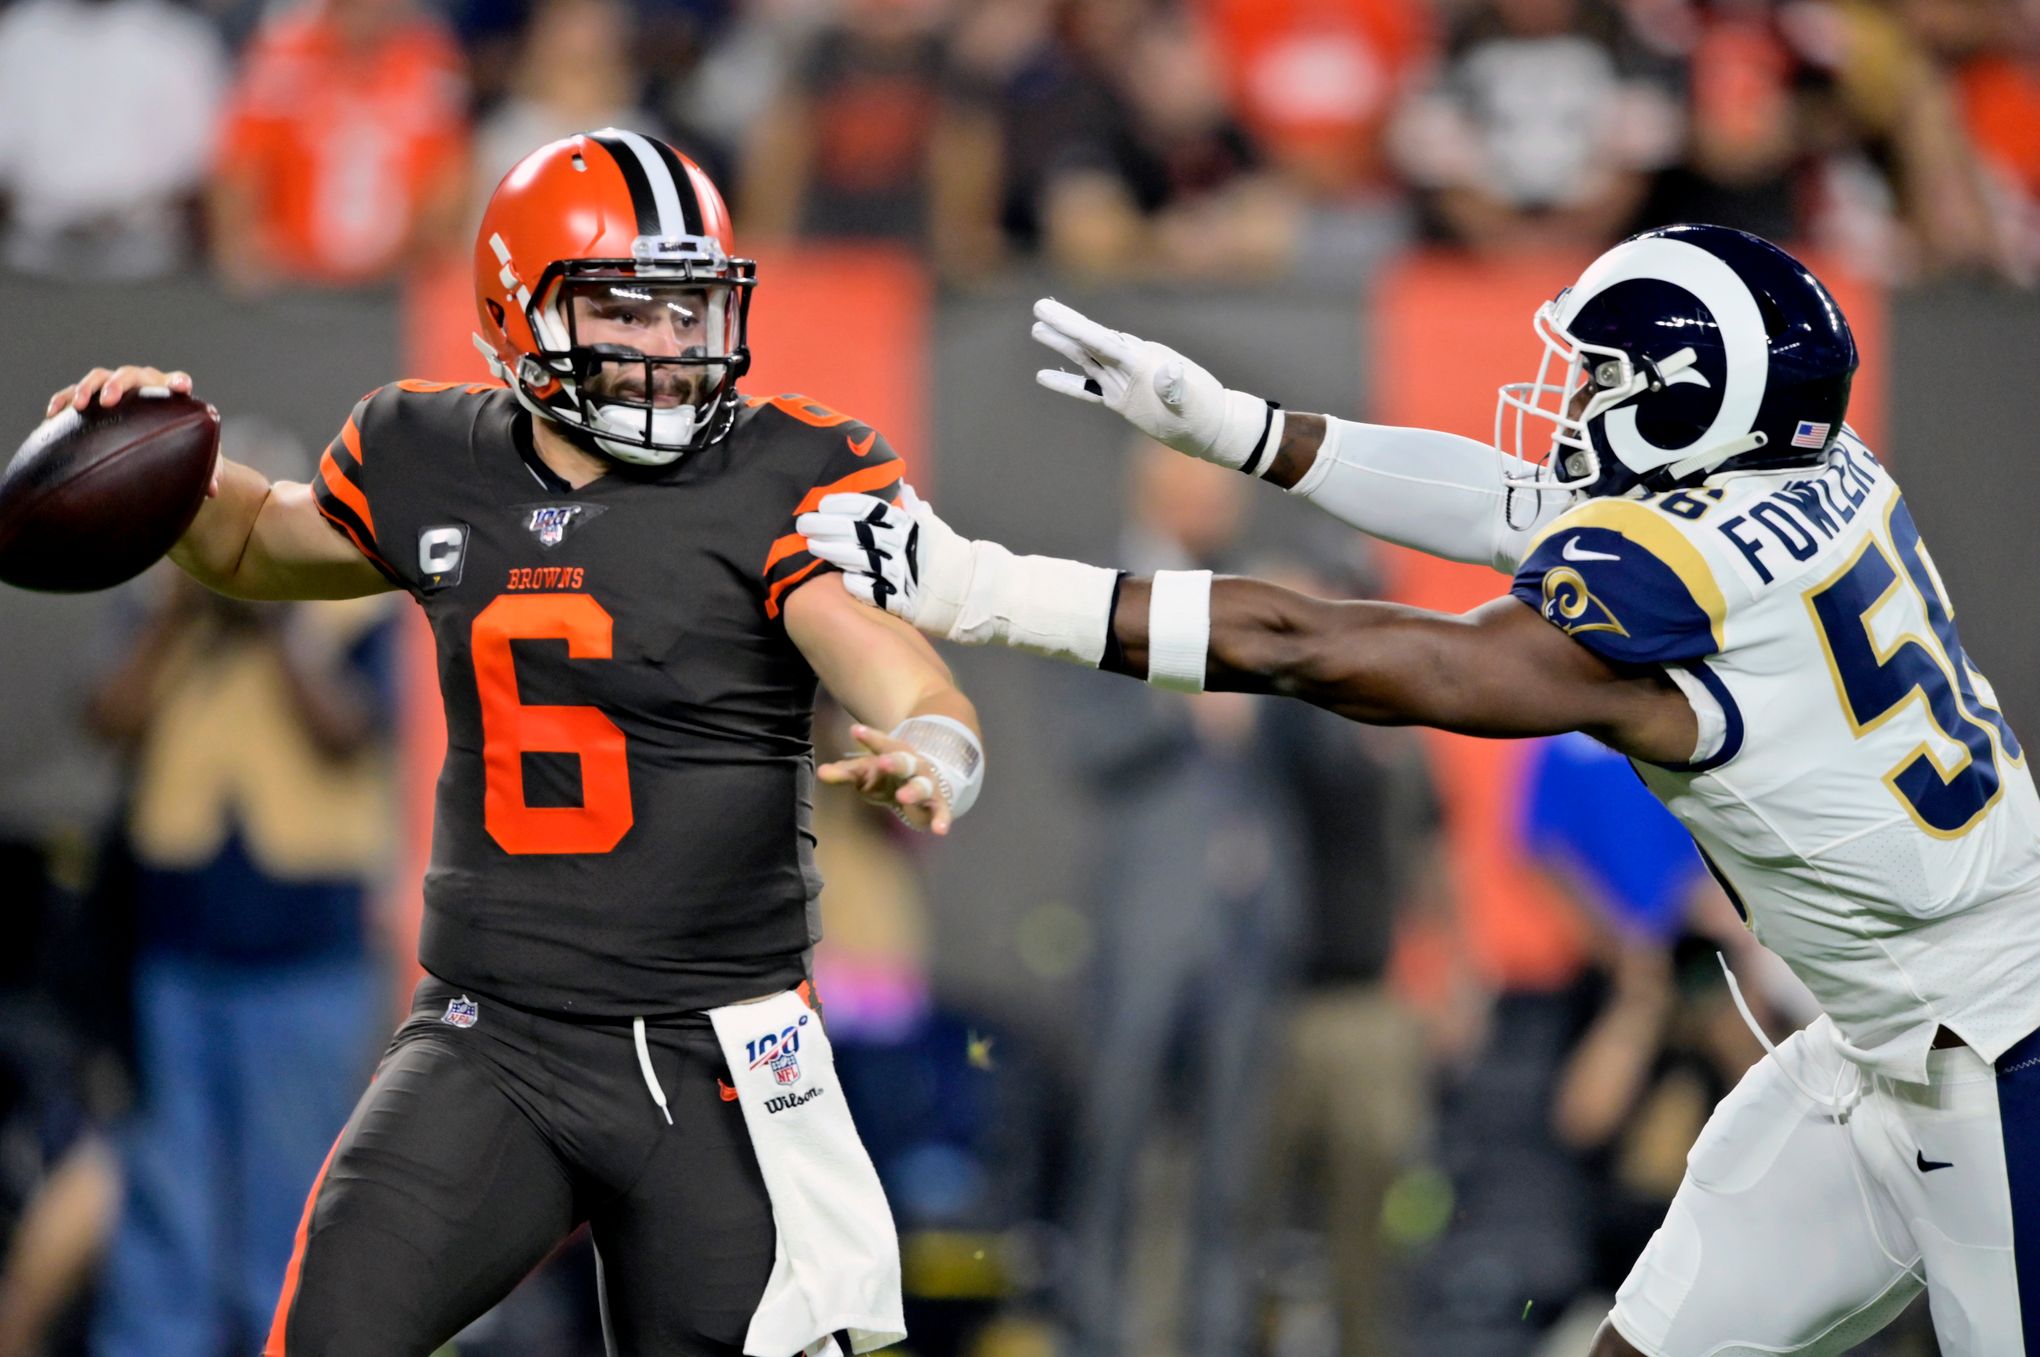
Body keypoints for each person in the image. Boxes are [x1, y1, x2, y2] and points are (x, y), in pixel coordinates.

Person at [800, 222, 2040, 1356]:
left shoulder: (1691, 583)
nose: (1575, 404)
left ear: (1691, 412)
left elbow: (1346, 653)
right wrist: (1240, 428)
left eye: (1605, 380)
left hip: (1997, 1065)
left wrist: (993, 592)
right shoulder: (1820, 473)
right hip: (1879, 1049)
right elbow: (1506, 502)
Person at [45, 128, 985, 1355]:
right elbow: (251, 543)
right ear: (516, 310)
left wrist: (937, 742)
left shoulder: (778, 473)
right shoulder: (432, 456)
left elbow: (898, 667)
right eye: (627, 312)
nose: (667, 348)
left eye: (689, 311)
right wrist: (158, 447)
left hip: (718, 1056)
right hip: (495, 1034)